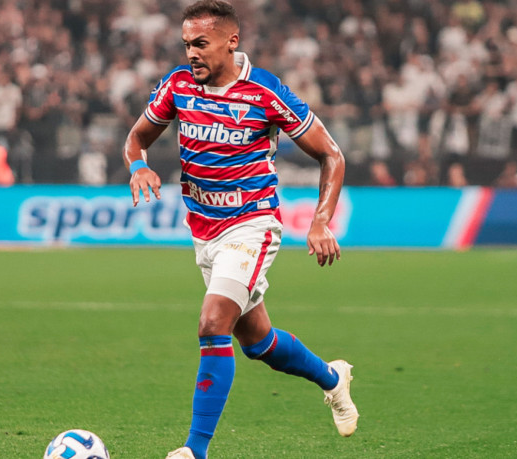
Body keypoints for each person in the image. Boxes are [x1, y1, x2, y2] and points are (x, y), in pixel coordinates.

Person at [121, 2, 358, 458]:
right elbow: (137, 137)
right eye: (187, 44)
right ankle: (332, 378)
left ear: (232, 41)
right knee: (256, 341)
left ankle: (195, 450)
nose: (192, 53)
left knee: (213, 323)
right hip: (204, 231)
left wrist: (321, 221)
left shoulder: (266, 92)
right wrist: (138, 166)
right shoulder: (178, 85)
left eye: (201, 44)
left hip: (252, 226)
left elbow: (332, 154)